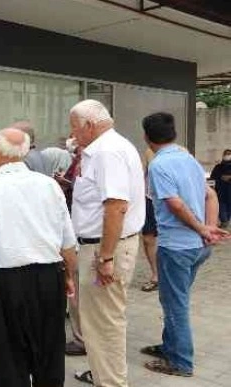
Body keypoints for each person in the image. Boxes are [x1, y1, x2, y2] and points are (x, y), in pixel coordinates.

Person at [0, 128, 78, 387]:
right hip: (48, 278)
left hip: (5, 284)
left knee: (8, 359)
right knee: (49, 356)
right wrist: (68, 275)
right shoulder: (50, 185)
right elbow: (67, 242)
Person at [140, 112, 228, 377]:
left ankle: (181, 362)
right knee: (174, 299)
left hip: (176, 247)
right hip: (198, 247)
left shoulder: (158, 165)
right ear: (173, 134)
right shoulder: (188, 158)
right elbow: (210, 194)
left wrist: (203, 228)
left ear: (146, 137)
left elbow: (174, 204)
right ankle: (170, 346)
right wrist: (210, 229)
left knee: (175, 304)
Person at [69, 100, 145, 387]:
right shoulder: (112, 147)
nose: (73, 135)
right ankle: (104, 374)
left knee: (104, 325)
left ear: (89, 125)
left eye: (74, 128)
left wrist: (105, 257)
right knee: (103, 323)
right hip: (108, 245)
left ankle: (111, 381)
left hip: (103, 248)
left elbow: (116, 206)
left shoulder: (106, 152)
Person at [55, 137, 87, 357]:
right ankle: (82, 337)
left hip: (83, 238)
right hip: (80, 236)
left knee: (78, 290)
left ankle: (82, 340)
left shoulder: (90, 162)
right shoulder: (78, 161)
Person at [141, 147, 160, 292]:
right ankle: (156, 275)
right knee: (148, 239)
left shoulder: (180, 151)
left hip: (170, 200)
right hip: (149, 200)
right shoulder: (149, 152)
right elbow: (142, 175)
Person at [210, 149, 231, 228]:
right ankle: (224, 221)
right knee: (221, 207)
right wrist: (221, 177)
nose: (227, 155)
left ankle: (226, 221)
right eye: (226, 154)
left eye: (229, 154)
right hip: (221, 191)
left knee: (229, 208)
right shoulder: (218, 167)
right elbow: (213, 178)